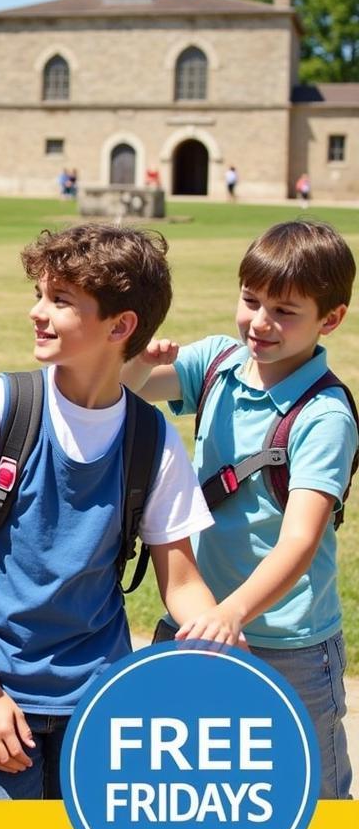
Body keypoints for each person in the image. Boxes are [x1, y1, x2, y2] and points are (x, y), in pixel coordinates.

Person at [0, 224, 233, 801]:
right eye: (40, 294)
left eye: (61, 301)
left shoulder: (152, 438)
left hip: (102, 699)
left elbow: (183, 579)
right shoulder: (0, 406)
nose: (37, 313)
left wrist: (215, 629)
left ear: (120, 327)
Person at [123, 220, 356, 799]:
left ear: (331, 319)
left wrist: (233, 614)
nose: (260, 322)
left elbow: (299, 542)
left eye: (285, 311)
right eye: (251, 301)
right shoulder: (218, 362)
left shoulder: (325, 417)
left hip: (288, 643)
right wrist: (134, 360)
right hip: (197, 622)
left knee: (308, 798)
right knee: (191, 789)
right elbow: (119, 392)